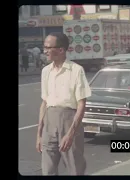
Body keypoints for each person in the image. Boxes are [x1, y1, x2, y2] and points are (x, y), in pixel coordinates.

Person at [35, 32, 91, 175]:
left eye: (48, 47)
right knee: (48, 170)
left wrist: (71, 134)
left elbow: (81, 104)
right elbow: (44, 102)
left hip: (69, 120)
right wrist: (39, 134)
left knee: (74, 168)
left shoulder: (76, 70)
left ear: (61, 50)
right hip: (49, 121)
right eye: (44, 47)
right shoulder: (46, 71)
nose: (45, 51)